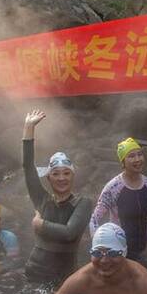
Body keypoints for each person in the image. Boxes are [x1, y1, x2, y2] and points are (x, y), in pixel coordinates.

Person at [22, 109, 93, 281]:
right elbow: (28, 167)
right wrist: (28, 127)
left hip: (64, 276)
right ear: (48, 177)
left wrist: (41, 224)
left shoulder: (83, 203)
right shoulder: (42, 199)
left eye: (66, 173)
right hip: (34, 271)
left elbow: (69, 232)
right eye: (56, 174)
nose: (61, 178)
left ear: (73, 176)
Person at [89, 137, 147, 262]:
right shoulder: (114, 187)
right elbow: (94, 220)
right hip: (117, 252)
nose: (137, 159)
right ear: (123, 162)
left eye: (139, 154)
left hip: (143, 250)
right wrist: (100, 248)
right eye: (131, 156)